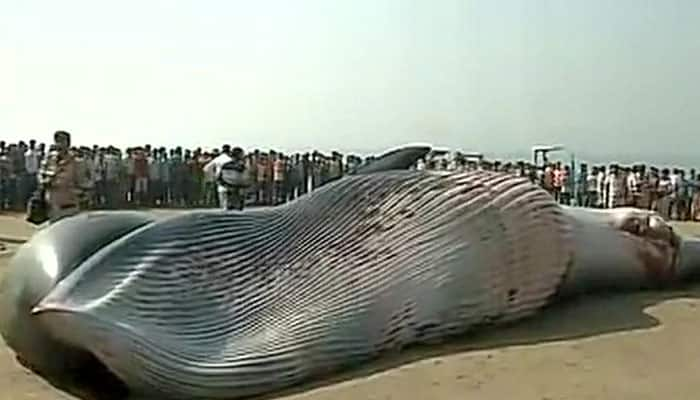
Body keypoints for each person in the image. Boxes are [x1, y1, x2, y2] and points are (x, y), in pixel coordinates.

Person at [29, 131, 86, 224]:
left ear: (68, 143)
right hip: (51, 201)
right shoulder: (49, 158)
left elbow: (82, 181)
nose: (59, 143)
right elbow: (41, 173)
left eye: (62, 141)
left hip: (69, 203)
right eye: (57, 140)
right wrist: (44, 181)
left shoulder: (75, 160)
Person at [203, 145, 248, 210]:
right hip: (234, 189)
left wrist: (213, 176)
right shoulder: (238, 164)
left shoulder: (218, 159)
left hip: (222, 186)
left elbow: (206, 169)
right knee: (236, 211)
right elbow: (243, 179)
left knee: (225, 210)